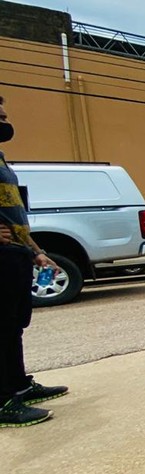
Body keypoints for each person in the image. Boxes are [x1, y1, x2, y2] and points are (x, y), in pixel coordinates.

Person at [0, 96, 69, 427]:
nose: (5, 122)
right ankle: (3, 402)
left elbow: (13, 213)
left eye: (4, 115)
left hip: (14, 250)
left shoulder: (2, 160)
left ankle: (18, 386)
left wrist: (35, 250)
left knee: (13, 325)